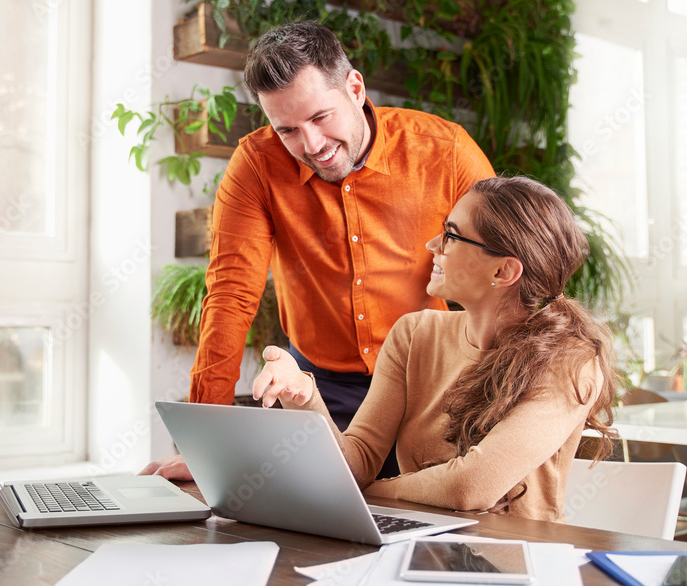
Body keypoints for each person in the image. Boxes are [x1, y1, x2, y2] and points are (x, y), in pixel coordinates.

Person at [142, 21, 494, 480]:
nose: (311, 146)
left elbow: (508, 270)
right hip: (318, 392)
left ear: (354, 86)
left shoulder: (444, 151)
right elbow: (231, 296)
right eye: (287, 129)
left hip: (434, 383)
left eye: (320, 117)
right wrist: (205, 442)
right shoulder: (256, 166)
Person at [251, 176, 617, 521]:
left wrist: (370, 492)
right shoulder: (414, 335)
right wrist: (304, 400)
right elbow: (357, 461)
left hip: (522, 564)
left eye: (451, 236)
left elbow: (471, 487)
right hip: (419, 545)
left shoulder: (571, 362)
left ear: (503, 272)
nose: (432, 246)